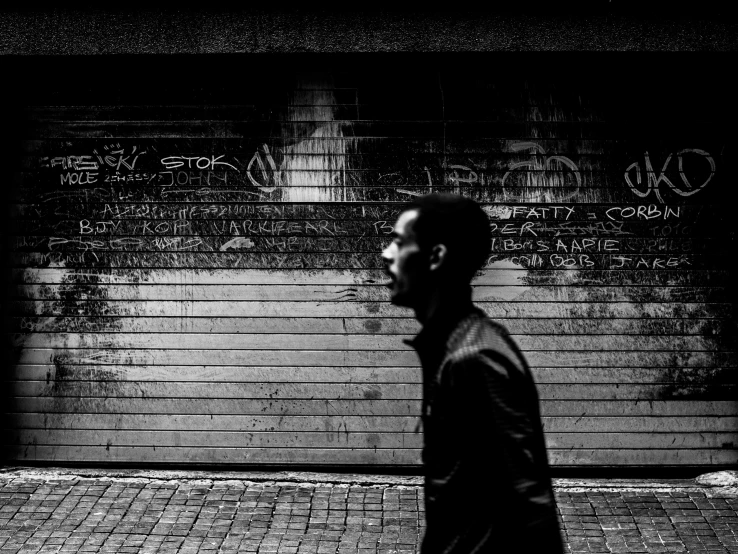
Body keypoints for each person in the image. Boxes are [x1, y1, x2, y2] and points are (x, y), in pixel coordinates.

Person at [381, 193, 563, 553]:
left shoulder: (473, 359)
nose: (387, 254)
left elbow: (530, 500)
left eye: (399, 242)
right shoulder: (455, 346)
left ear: (435, 257)